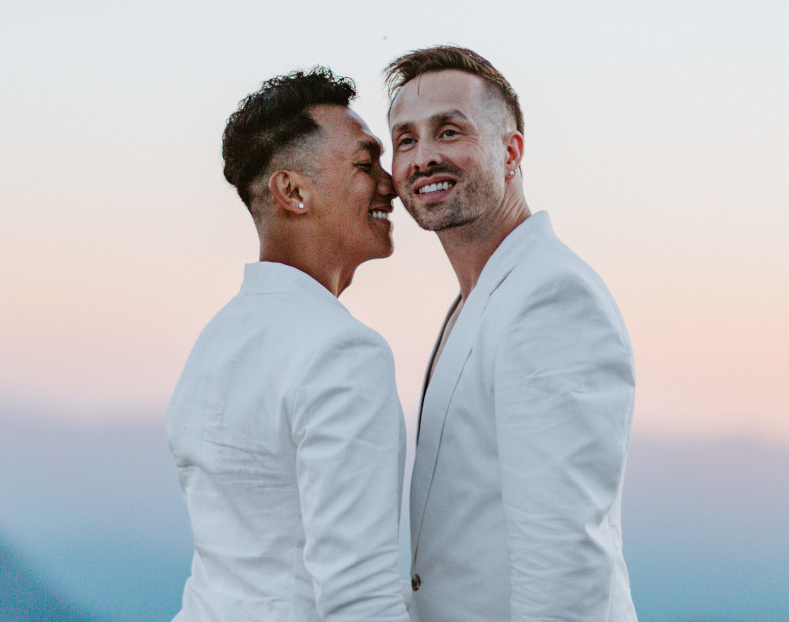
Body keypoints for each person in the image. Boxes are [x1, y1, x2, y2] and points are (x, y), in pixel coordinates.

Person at [384, 46, 637, 622]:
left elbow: (565, 557)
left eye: (449, 131)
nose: (423, 158)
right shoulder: (480, 297)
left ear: (511, 152)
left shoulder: (549, 298)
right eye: (405, 140)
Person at [166, 67, 410, 622]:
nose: (389, 182)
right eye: (364, 163)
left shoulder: (214, 342)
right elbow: (359, 600)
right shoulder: (342, 353)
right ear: (293, 192)